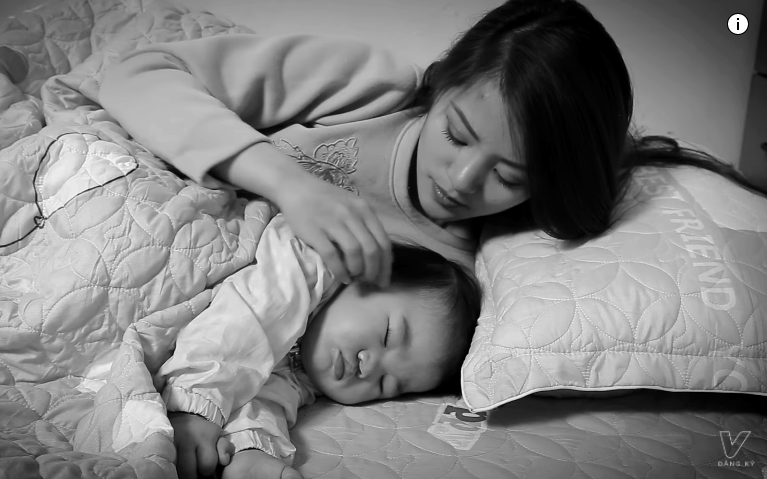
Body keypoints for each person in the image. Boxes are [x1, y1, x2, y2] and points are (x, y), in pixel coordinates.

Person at [100, 0, 767, 289]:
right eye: (456, 133)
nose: (463, 179)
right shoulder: (374, 88)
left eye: (511, 176)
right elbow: (137, 74)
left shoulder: (470, 262)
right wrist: (290, 183)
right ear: (445, 81)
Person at [156, 214, 480, 479]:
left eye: (386, 384)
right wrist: (195, 405)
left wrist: (252, 451)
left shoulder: (302, 375)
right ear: (368, 275)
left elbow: (264, 395)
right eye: (387, 335)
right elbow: (245, 323)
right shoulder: (305, 264)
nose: (369, 367)